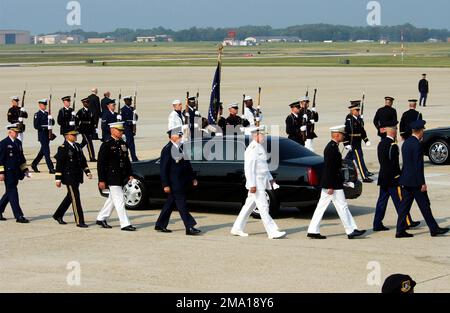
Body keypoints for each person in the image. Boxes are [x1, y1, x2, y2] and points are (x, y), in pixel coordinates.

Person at [307, 125, 366, 240]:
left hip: (331, 183)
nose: (344, 137)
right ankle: (351, 230)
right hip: (332, 184)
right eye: (343, 135)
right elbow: (329, 168)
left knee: (322, 207)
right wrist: (330, 185)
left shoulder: (333, 146)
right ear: (337, 135)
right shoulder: (331, 148)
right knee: (342, 207)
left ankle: (313, 230)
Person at [396, 119, 449, 238]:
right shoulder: (417, 145)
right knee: (425, 206)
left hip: (406, 180)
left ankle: (399, 230)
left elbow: (406, 163)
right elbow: (418, 166)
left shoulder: (406, 143)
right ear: (420, 131)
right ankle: (434, 229)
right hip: (415, 182)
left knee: (404, 207)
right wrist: (422, 183)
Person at [231, 125, 286, 239]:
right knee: (264, 206)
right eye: (262, 135)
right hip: (256, 183)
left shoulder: (259, 147)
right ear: (256, 135)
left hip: (261, 181)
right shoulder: (252, 149)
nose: (264, 137)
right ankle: (272, 231)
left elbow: (263, 167)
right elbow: (249, 169)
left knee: (248, 206)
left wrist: (271, 179)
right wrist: (252, 184)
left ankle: (237, 228)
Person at [373, 120, 420, 231]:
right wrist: (398, 176)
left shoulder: (381, 144)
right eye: (395, 129)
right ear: (392, 131)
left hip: (383, 178)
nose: (396, 130)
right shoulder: (392, 145)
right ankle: (407, 222)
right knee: (401, 202)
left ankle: (377, 223)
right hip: (392, 179)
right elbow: (394, 165)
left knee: (382, 202)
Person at [155, 126, 201, 236]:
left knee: (170, 204)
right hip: (174, 183)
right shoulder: (167, 149)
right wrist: (165, 184)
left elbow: (187, 165)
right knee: (182, 204)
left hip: (182, 181)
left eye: (181, 135)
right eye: (179, 135)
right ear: (172, 137)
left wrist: (192, 178)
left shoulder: (181, 147)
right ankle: (189, 226)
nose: (181, 137)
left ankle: (160, 224)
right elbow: (164, 169)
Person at [96, 122, 136, 231]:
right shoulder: (107, 144)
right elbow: (101, 164)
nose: (121, 132)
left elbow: (126, 160)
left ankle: (101, 217)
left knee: (112, 199)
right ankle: (125, 223)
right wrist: (102, 180)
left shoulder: (122, 143)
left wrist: (130, 174)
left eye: (122, 130)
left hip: (121, 176)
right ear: (112, 130)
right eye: (119, 130)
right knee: (120, 200)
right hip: (111, 177)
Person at [53, 128, 92, 228]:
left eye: (75, 135)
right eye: (73, 135)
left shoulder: (78, 146)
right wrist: (58, 179)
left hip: (77, 175)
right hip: (68, 176)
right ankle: (79, 221)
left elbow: (82, 160)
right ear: (66, 136)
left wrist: (87, 172)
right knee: (75, 198)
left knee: (70, 197)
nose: (75, 136)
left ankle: (58, 214)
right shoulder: (62, 148)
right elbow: (59, 164)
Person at [0, 124, 31, 223]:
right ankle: (19, 215)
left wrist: (25, 169)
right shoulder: (3, 143)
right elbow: (0, 160)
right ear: (9, 132)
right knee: (13, 192)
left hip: (16, 172)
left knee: (9, 193)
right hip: (8, 172)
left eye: (17, 132)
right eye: (15, 132)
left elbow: (21, 158)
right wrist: (1, 173)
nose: (17, 134)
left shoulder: (18, 142)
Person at [344, 101, 373, 183]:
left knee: (347, 160)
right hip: (353, 143)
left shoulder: (359, 120)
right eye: (356, 110)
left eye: (358, 110)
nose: (358, 112)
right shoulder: (349, 120)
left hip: (358, 142)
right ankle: (364, 177)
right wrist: (346, 143)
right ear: (352, 111)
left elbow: (362, 131)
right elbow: (346, 132)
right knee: (359, 159)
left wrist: (366, 140)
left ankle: (339, 170)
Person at [31, 99, 56, 174]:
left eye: (45, 105)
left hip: (48, 135)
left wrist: (51, 119)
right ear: (40, 105)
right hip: (42, 135)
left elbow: (53, 123)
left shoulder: (47, 114)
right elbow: (36, 126)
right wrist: (45, 127)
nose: (45, 106)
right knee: (47, 152)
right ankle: (51, 168)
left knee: (43, 151)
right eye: (43, 105)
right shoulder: (37, 114)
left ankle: (34, 164)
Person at [76, 97, 97, 162]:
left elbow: (93, 120)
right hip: (83, 129)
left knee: (84, 143)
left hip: (89, 129)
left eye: (88, 102)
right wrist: (77, 127)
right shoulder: (80, 111)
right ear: (83, 103)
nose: (88, 104)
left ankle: (76, 149)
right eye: (86, 102)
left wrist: (95, 127)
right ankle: (92, 157)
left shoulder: (90, 111)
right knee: (89, 142)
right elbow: (77, 120)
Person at [121, 96, 139, 162]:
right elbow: (122, 120)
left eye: (130, 101)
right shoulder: (123, 109)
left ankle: (134, 158)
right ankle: (125, 157)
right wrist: (131, 122)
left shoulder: (132, 108)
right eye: (129, 101)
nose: (130, 102)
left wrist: (135, 114)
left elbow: (136, 118)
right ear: (125, 101)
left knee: (131, 144)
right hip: (126, 129)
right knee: (128, 144)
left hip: (131, 129)